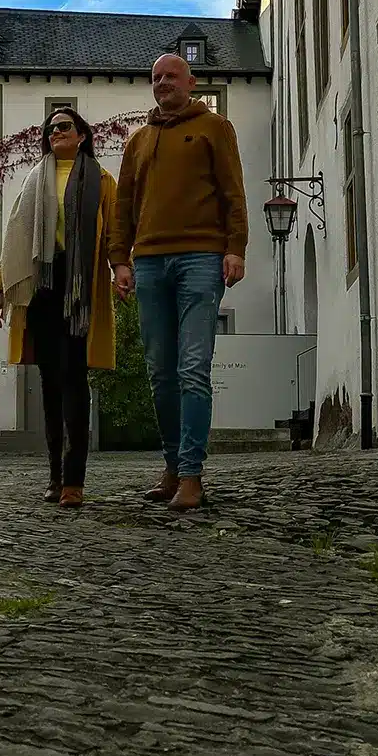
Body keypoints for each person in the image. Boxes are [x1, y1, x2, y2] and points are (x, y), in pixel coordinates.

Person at [109, 54, 248, 512]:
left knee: (192, 368)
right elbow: (124, 204)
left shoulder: (214, 128)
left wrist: (235, 248)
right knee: (159, 373)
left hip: (201, 259)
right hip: (148, 261)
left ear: (191, 81)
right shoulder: (139, 141)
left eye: (171, 75)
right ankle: (172, 467)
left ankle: (192, 474)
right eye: (156, 78)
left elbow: (233, 191)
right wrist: (119, 259)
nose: (163, 83)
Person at [0, 107, 117, 509]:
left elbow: (114, 234)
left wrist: (124, 269)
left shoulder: (102, 180)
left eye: (64, 126)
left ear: (82, 134)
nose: (55, 132)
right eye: (49, 129)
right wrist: (0, 292)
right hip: (42, 285)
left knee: (74, 379)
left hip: (79, 287)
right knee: (49, 383)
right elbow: (15, 239)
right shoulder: (32, 180)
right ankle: (54, 476)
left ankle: (74, 480)